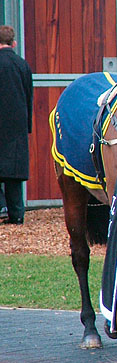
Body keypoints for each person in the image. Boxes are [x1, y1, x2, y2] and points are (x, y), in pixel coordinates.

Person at [0, 25, 33, 225]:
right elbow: (29, 97)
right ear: (14, 43)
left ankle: (1, 207)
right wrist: (26, 125)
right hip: (17, 125)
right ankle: (17, 214)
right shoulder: (22, 65)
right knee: (14, 173)